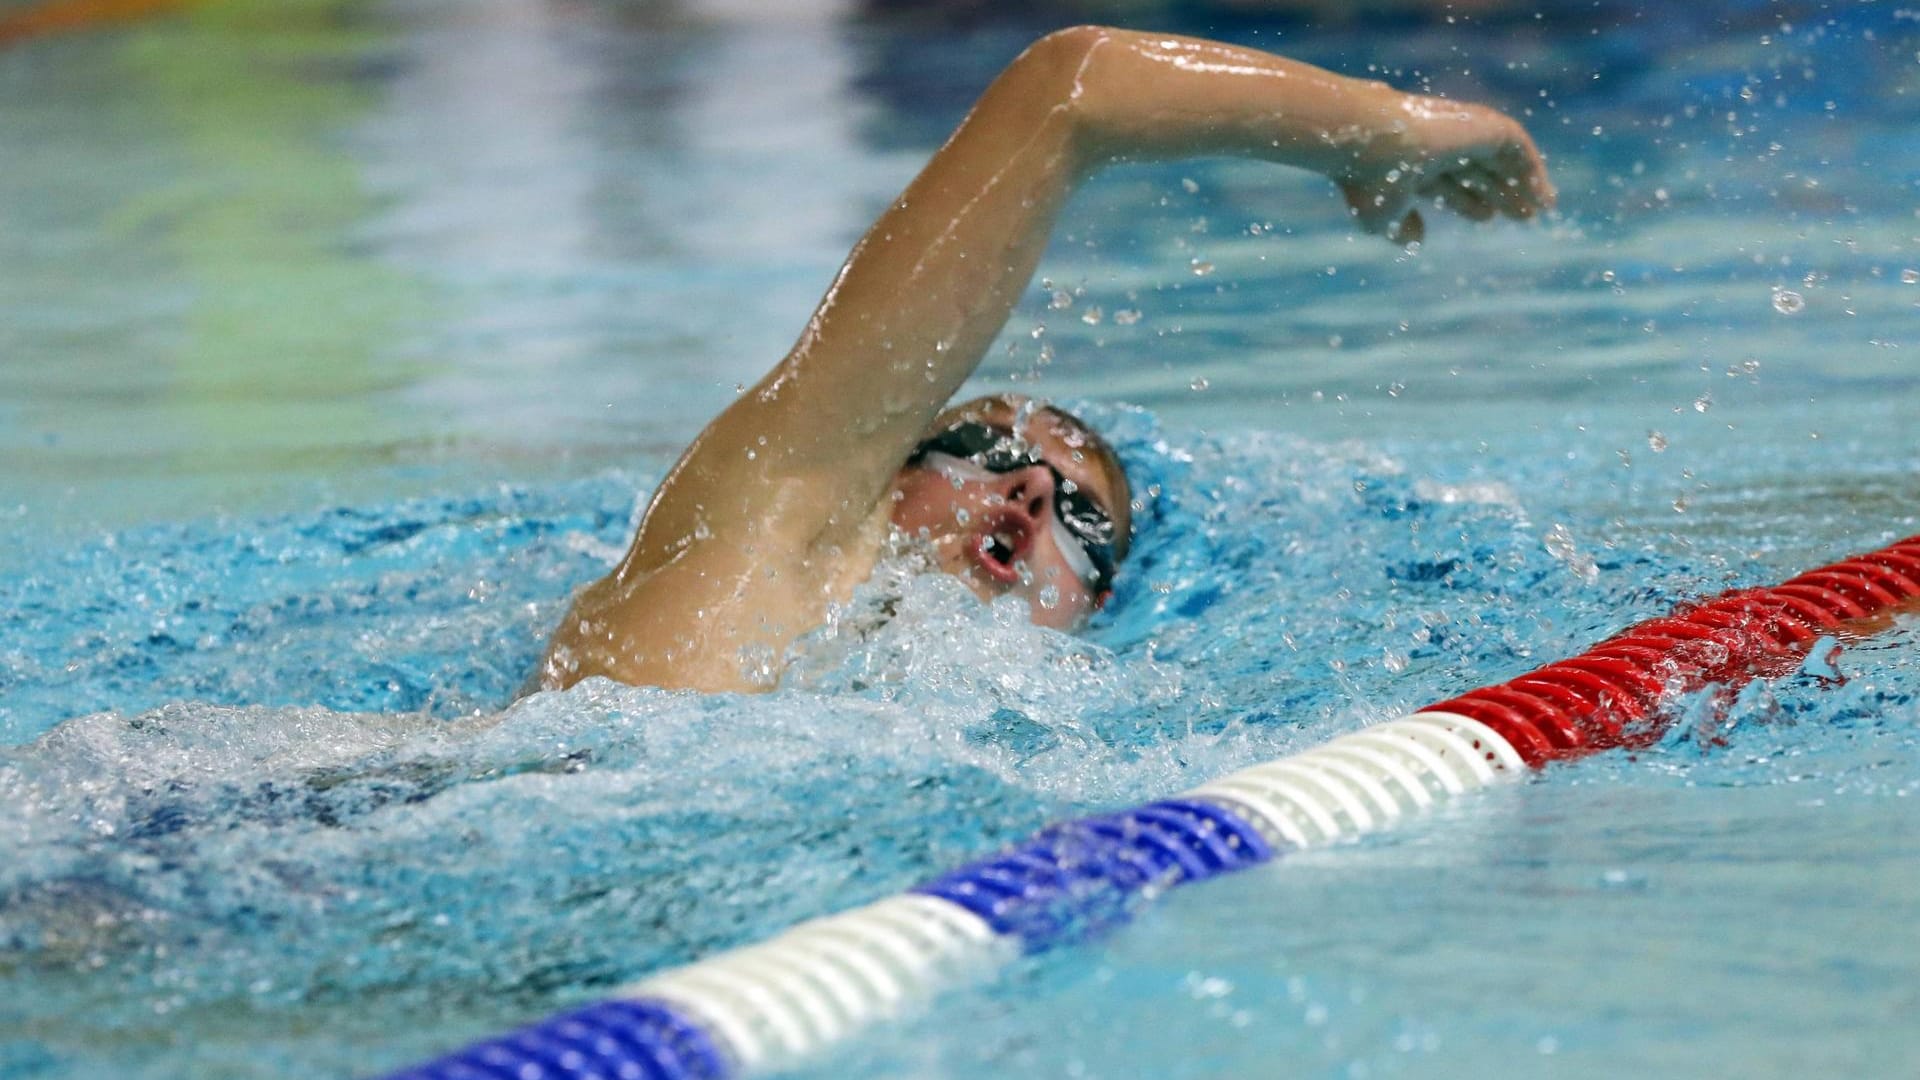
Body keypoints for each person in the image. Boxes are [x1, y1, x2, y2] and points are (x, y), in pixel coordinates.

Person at [535, 25, 1554, 694]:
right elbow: (1074, 91)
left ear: (1088, 615)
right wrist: (1383, 130)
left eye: (1081, 519)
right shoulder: (771, 526)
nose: (1028, 486)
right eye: (984, 448)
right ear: (884, 462)